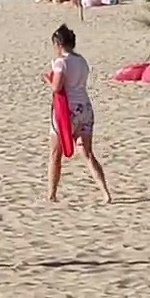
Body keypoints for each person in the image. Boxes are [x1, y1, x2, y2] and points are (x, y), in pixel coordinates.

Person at [44, 24, 112, 203]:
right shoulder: (81, 61)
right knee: (87, 153)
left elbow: (57, 87)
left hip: (68, 111)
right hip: (85, 108)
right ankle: (105, 192)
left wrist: (46, 79)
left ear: (58, 44)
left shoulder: (61, 62)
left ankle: (51, 194)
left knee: (55, 153)